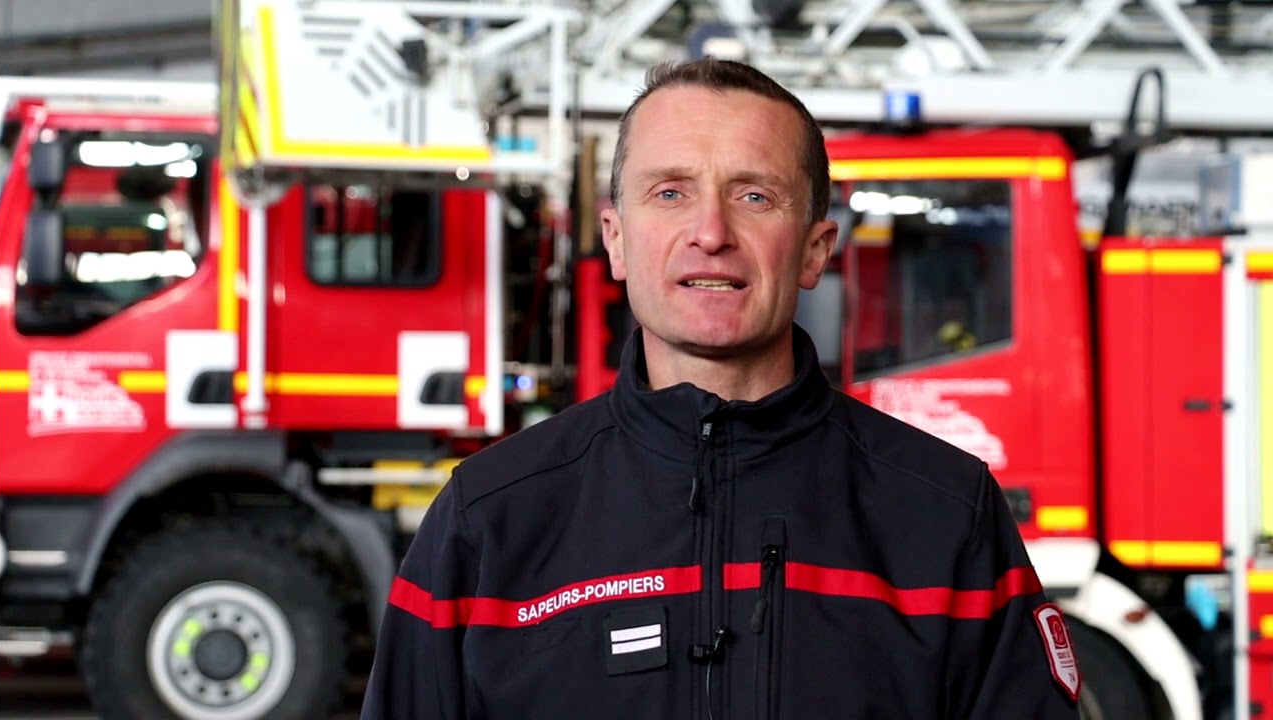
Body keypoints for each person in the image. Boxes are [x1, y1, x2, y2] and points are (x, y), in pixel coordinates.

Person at [362, 57, 1080, 719]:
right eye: (670, 191)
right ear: (615, 238)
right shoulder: (488, 521)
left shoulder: (947, 518)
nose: (710, 232)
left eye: (755, 195)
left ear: (813, 250)